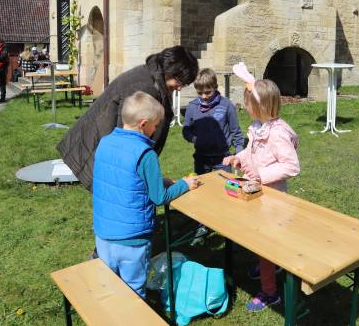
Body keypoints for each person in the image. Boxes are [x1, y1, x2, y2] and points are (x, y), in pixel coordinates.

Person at [93, 91, 200, 298]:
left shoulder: (105, 142)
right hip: (132, 240)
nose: (156, 129)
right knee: (134, 291)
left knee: (110, 287)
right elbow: (159, 198)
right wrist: (185, 184)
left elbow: (125, 179)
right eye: (156, 125)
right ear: (143, 124)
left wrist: (159, 181)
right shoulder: (146, 153)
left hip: (103, 235)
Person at [57, 45, 199, 192]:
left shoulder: (152, 76)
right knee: (116, 194)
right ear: (170, 71)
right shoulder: (146, 88)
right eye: (180, 82)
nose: (180, 88)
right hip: (96, 143)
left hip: (103, 144)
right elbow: (127, 138)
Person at [223, 62, 300, 313]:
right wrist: (240, 158)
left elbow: (291, 166)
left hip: (274, 198)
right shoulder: (259, 127)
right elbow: (252, 151)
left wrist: (261, 174)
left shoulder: (277, 133)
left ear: (261, 107)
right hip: (258, 193)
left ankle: (270, 293)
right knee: (260, 237)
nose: (245, 107)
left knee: (266, 239)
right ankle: (268, 261)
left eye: (248, 103)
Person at [183, 68, 244, 175]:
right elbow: (186, 130)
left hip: (222, 159)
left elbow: (236, 132)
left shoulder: (226, 105)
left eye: (208, 92)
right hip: (201, 158)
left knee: (223, 189)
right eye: (200, 93)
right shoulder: (192, 106)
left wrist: (239, 156)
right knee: (203, 189)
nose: (204, 96)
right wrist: (195, 139)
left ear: (215, 87)